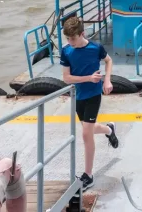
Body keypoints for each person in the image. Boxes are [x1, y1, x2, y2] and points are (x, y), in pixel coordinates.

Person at [60, 17, 119, 191]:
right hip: (79, 96)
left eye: (73, 39)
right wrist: (89, 78)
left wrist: (107, 80)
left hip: (94, 94)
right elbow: (66, 78)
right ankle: (109, 129)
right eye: (68, 39)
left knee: (86, 134)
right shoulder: (66, 51)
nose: (70, 42)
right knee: (90, 129)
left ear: (82, 34)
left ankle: (88, 175)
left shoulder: (96, 48)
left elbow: (108, 61)